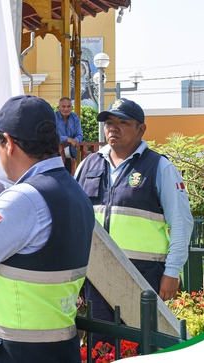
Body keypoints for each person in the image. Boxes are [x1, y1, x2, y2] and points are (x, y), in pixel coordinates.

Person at [0, 95, 95, 362]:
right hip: (58, 347)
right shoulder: (75, 192)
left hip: (13, 351)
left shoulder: (24, 199)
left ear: (9, 144)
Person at [75, 98, 193, 339]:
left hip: (143, 277)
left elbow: (181, 223)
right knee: (102, 346)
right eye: (109, 122)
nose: (113, 128)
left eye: (123, 122)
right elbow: (75, 220)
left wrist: (172, 272)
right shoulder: (88, 164)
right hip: (96, 276)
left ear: (141, 129)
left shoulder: (159, 167)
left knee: (140, 345)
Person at [55, 97, 83, 173]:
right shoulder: (53, 117)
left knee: (72, 174)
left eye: (68, 106)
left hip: (71, 150)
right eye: (63, 106)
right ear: (58, 108)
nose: (66, 109)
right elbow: (52, 135)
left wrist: (75, 140)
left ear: (72, 108)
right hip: (56, 151)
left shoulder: (75, 117)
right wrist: (67, 139)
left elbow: (80, 134)